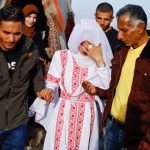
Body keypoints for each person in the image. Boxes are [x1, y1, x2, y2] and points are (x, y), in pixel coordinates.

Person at [29, 18, 113, 149]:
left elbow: (107, 86)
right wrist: (50, 90)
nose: (85, 46)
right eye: (82, 41)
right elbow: (52, 81)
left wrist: (99, 60)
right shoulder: (62, 56)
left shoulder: (100, 62)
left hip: (87, 112)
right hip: (63, 108)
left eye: (90, 42)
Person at [83, 4, 150, 150]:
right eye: (118, 30)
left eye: (124, 30)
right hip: (112, 127)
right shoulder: (121, 50)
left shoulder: (147, 58)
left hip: (137, 135)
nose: (119, 36)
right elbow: (117, 86)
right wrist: (99, 91)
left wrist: (146, 142)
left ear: (140, 28)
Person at [0, 5, 52, 149]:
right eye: (6, 32)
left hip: (18, 125)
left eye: (17, 33)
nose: (11, 39)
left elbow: (36, 72)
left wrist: (41, 89)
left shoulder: (30, 48)